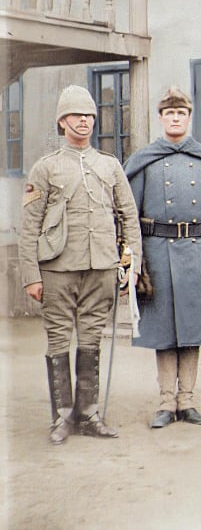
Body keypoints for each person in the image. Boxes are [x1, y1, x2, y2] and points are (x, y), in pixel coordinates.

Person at [19, 85, 142, 444]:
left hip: (101, 266)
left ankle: (88, 414)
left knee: (91, 338)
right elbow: (29, 226)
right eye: (76, 115)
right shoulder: (46, 168)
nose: (84, 121)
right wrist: (31, 275)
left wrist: (131, 263)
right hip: (57, 269)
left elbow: (128, 216)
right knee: (58, 338)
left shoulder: (110, 165)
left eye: (88, 115)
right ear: (62, 121)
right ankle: (62, 417)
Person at [124, 87, 201, 429]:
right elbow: (130, 213)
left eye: (181, 114)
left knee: (191, 328)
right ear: (161, 119)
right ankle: (165, 401)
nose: (175, 119)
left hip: (198, 254)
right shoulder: (145, 159)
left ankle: (187, 401)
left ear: (189, 119)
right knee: (163, 330)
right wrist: (134, 257)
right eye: (169, 114)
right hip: (157, 254)